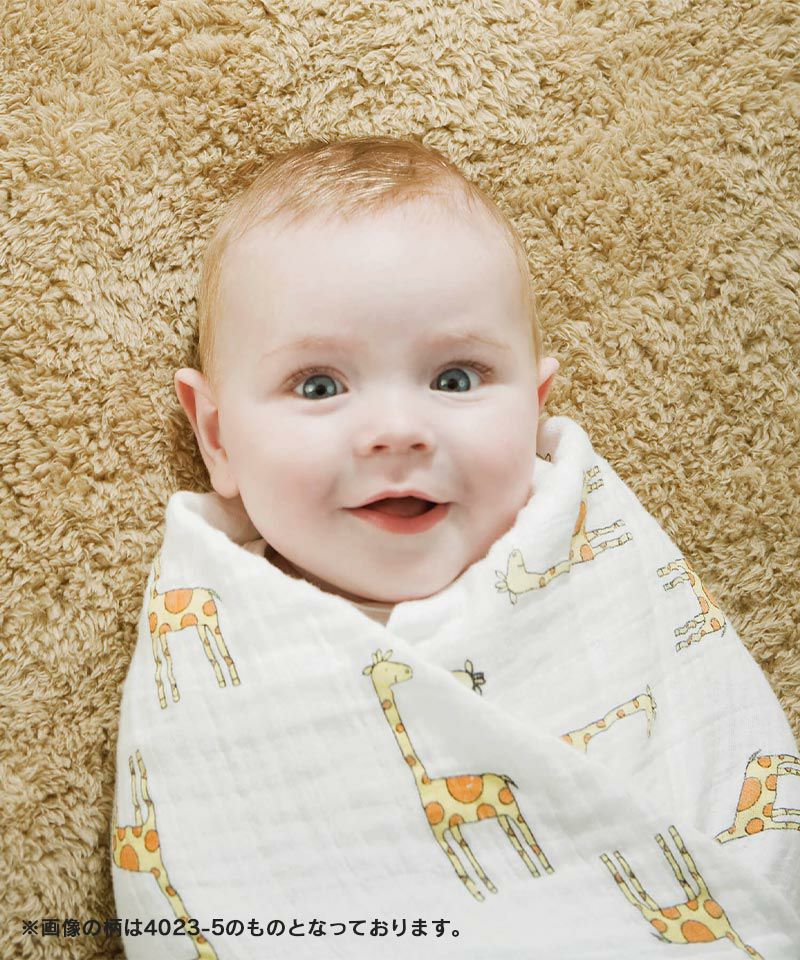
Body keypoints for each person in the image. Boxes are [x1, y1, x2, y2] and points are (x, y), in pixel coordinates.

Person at [111, 136, 800, 959]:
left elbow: (727, 765)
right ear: (218, 437)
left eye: (456, 379)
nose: (400, 430)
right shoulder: (214, 630)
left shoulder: (597, 561)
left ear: (534, 406)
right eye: (320, 386)